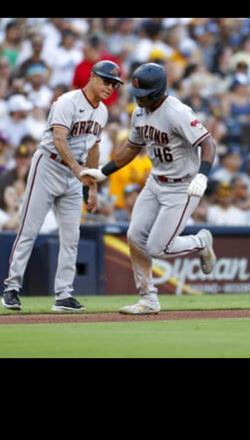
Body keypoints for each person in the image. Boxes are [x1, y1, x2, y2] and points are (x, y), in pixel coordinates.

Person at [80, 63, 217, 315]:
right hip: (155, 182)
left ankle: (200, 242)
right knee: (135, 237)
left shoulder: (177, 112)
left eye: (144, 96)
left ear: (157, 92)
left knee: (158, 247)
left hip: (183, 186)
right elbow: (132, 147)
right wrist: (103, 171)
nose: (139, 100)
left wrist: (203, 176)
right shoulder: (139, 113)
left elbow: (208, 143)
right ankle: (148, 299)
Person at [1, 60, 122, 313]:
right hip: (48, 165)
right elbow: (58, 139)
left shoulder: (102, 112)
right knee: (28, 230)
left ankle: (64, 294)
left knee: (71, 237)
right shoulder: (67, 101)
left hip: (74, 174)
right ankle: (11, 288)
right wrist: (78, 171)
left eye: (114, 84)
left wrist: (93, 186)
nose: (110, 87)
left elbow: (94, 147)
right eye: (106, 81)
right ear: (92, 77)